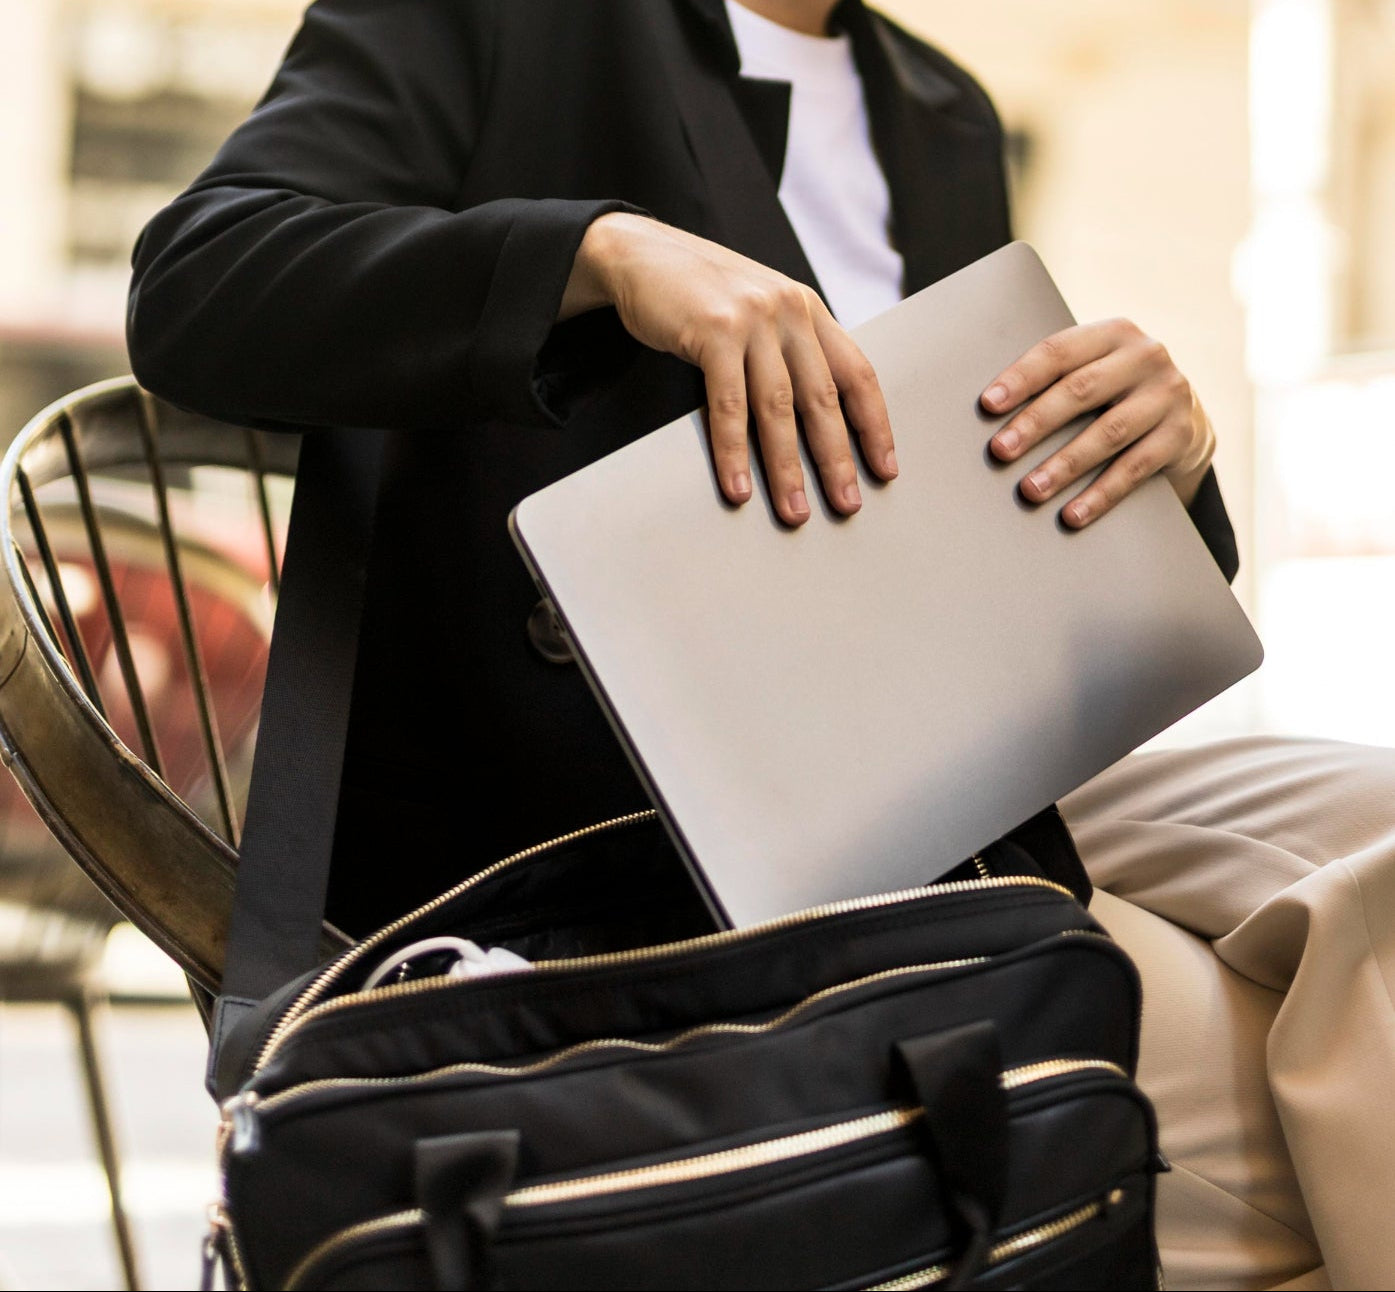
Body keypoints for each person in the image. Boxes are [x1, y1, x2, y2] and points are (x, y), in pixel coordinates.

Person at [126, 2, 1394, 1287]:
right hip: (641, 832)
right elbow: (196, 284)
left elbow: (953, 500)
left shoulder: (941, 108)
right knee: (1309, 1081)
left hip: (964, 757)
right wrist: (598, 255)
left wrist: (1151, 463)